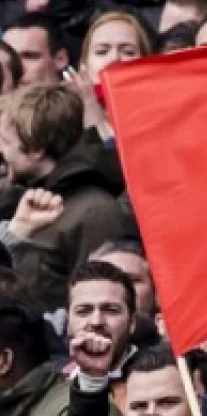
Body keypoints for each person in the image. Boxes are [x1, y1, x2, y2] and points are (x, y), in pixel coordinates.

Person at [0, 83, 128, 312]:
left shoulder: (95, 212)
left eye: (5, 142)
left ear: (35, 148)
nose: (1, 151)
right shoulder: (22, 201)